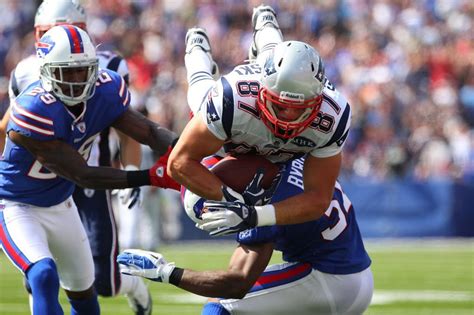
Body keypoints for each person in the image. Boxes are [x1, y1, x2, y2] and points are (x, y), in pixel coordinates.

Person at [0, 24, 177, 315]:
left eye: (82, 70)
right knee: (43, 275)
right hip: (17, 206)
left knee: (85, 294)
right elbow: (84, 174)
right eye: (67, 72)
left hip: (61, 204)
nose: (77, 80)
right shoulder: (33, 109)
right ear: (46, 72)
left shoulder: (105, 90)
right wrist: (147, 176)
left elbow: (147, 131)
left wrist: (187, 147)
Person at [168, 5, 351, 236]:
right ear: (262, 93)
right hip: (233, 138)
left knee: (274, 59)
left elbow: (318, 198)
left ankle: (266, 24)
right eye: (279, 105)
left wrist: (255, 215)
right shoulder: (232, 98)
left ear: (317, 101)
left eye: (298, 109)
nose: (287, 116)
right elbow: (178, 163)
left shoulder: (333, 116)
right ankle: (197, 52)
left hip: (272, 149)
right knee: (202, 91)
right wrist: (233, 200)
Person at [117, 155, 373, 314]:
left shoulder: (263, 203)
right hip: (356, 272)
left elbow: (235, 284)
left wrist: (165, 272)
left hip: (330, 281)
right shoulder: (289, 153)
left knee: (220, 306)